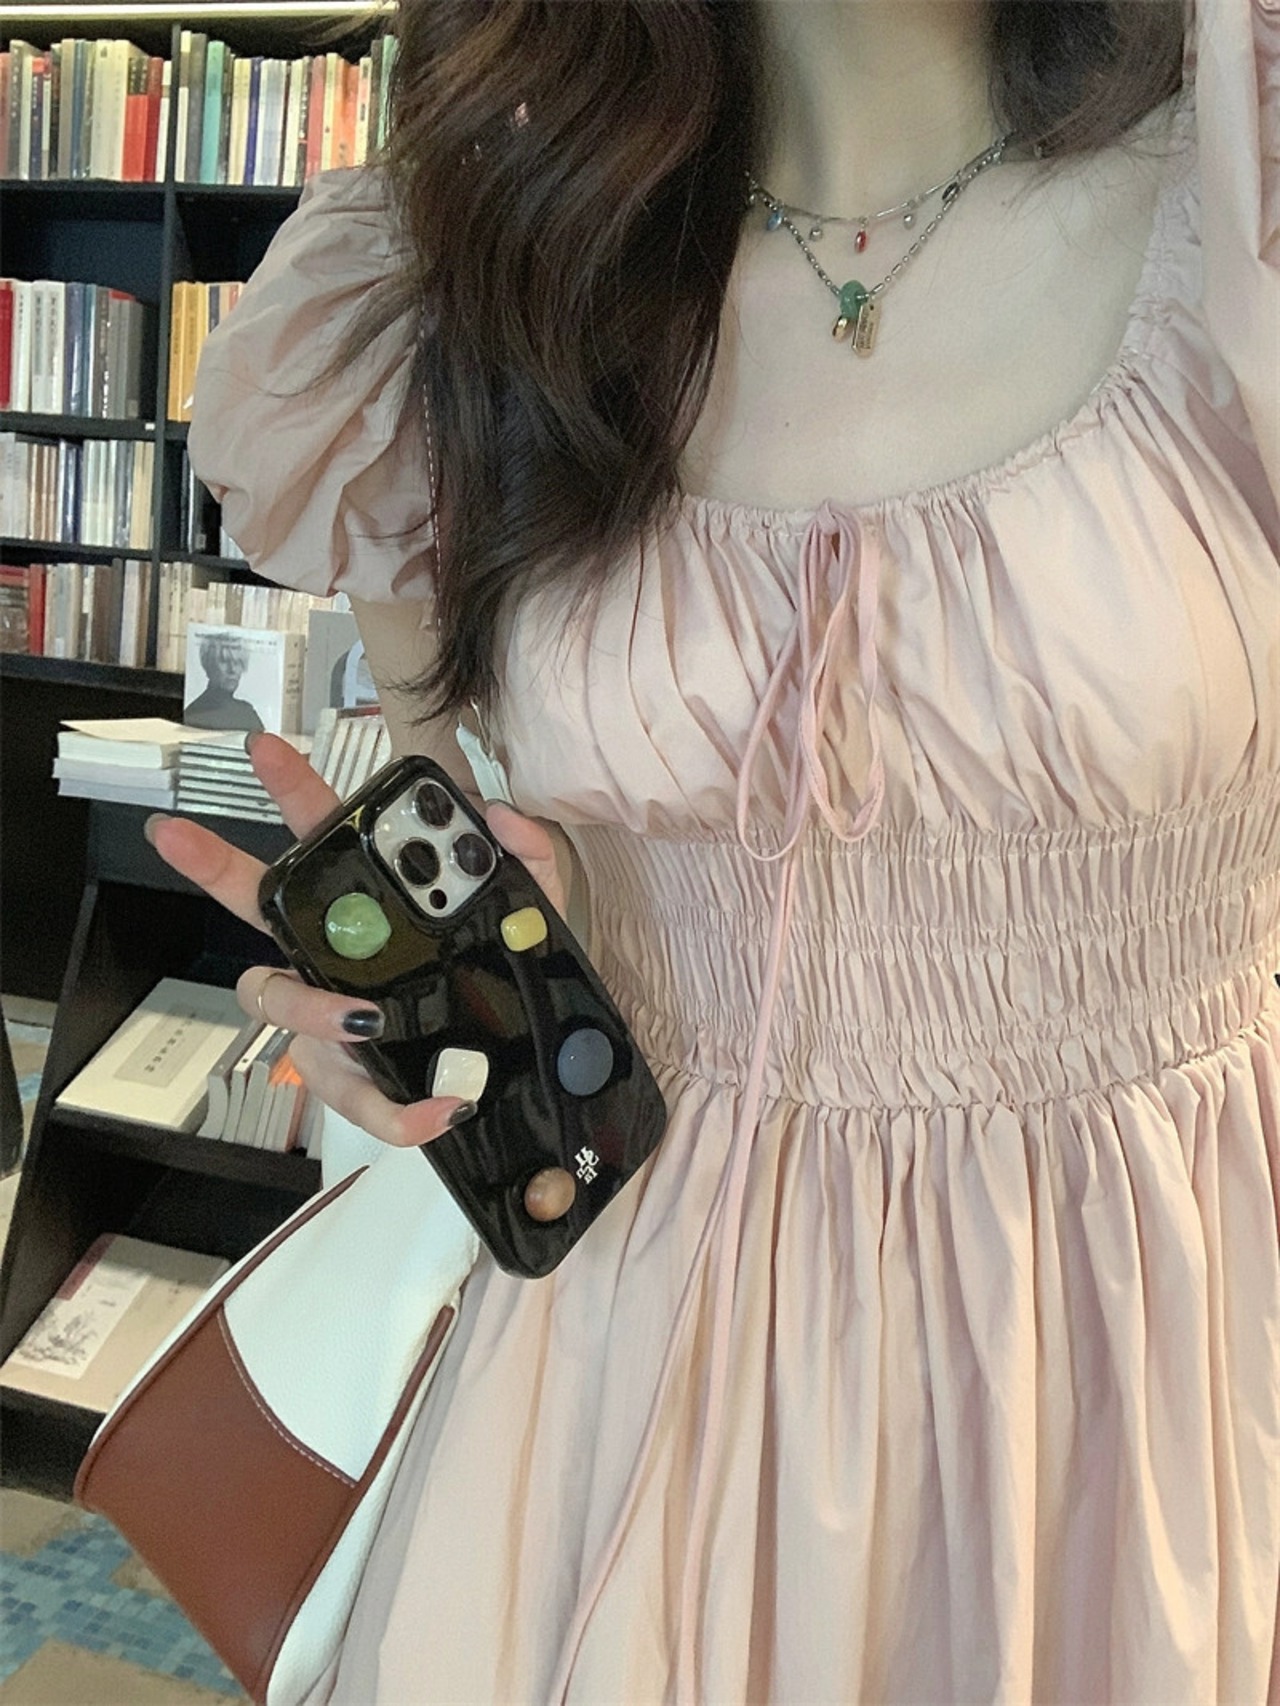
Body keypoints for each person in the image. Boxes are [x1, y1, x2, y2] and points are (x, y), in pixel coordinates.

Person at [148, 0, 1279, 1699]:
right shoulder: (483, 272)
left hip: (1149, 1345)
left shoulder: (1241, 205)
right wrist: (441, 1010)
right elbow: (493, 849)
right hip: (635, 1349)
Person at [183, 631, 265, 732]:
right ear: (208, 665)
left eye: (237, 662)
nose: (232, 670)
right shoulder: (194, 714)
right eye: (224, 661)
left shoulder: (246, 712)